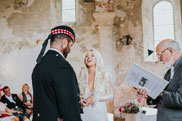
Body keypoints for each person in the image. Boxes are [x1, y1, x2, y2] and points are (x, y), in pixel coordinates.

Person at [32, 25, 83, 121]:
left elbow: (48, 97)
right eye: (70, 45)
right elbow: (69, 110)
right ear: (64, 42)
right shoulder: (62, 66)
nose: (70, 50)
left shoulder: (39, 65)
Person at [137, 39, 182, 121]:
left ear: (170, 50)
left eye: (160, 55)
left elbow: (180, 99)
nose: (159, 59)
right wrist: (150, 94)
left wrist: (160, 93)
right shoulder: (169, 71)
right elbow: (164, 98)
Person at [78, 49, 113, 121]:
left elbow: (110, 95)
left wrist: (95, 99)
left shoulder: (106, 75)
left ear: (97, 58)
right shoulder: (81, 76)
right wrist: (81, 100)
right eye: (86, 56)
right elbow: (77, 94)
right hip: (84, 113)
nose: (89, 58)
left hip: (100, 114)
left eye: (92, 55)